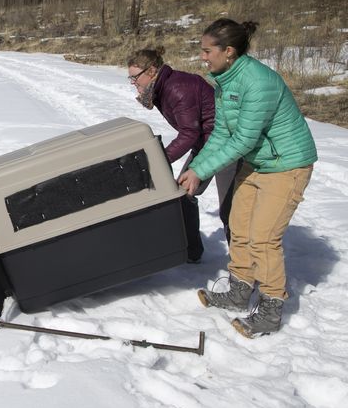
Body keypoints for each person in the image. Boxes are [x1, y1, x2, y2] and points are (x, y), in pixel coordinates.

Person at [178, 18, 317, 338]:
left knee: (263, 237)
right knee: (237, 225)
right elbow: (221, 133)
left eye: (207, 51)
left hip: (287, 166)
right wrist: (196, 167)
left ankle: (271, 307)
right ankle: (240, 290)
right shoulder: (224, 80)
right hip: (258, 163)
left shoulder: (258, 82)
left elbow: (243, 140)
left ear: (229, 51)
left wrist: (202, 170)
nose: (203, 57)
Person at [127, 47, 237, 263]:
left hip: (226, 146)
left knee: (230, 210)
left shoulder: (177, 88)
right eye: (130, 78)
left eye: (135, 77)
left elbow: (189, 132)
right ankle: (192, 252)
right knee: (184, 194)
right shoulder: (161, 88)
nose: (133, 83)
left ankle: (243, 268)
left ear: (151, 70)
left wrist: (159, 159)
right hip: (205, 144)